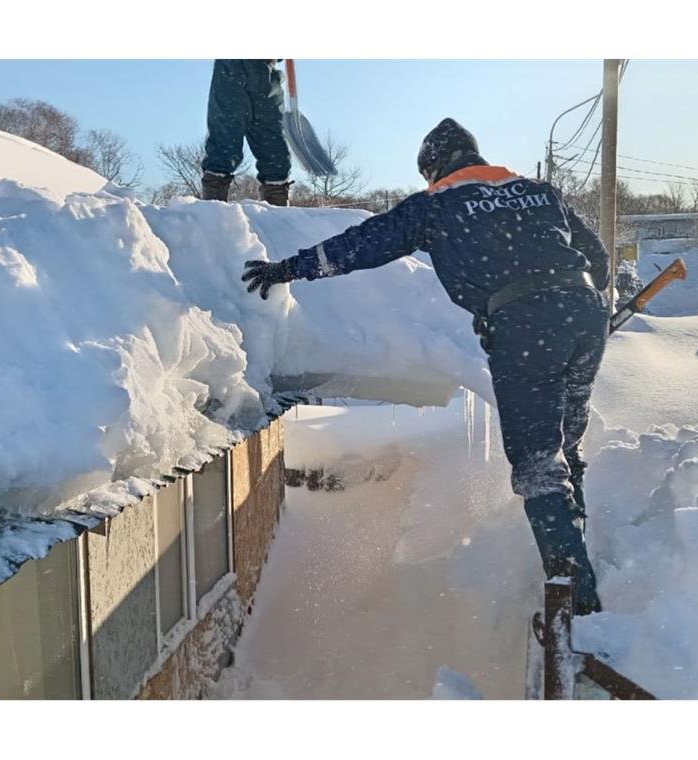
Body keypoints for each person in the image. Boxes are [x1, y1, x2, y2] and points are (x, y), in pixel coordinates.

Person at [241, 118, 609, 616]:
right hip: (584, 312)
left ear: (432, 169)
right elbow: (598, 260)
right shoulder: (539, 191)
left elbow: (361, 245)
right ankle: (580, 544)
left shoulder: (436, 204)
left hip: (526, 326)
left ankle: (574, 599)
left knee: (537, 460)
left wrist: (288, 269)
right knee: (566, 436)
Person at [200, 59, 293, 206]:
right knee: (225, 134)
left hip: (266, 69)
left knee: (273, 141)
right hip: (232, 65)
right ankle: (212, 208)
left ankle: (277, 203)